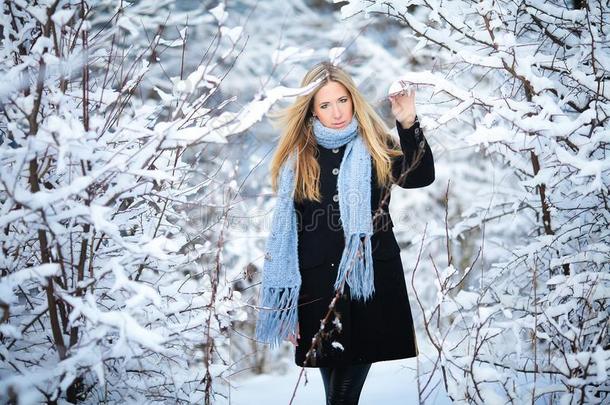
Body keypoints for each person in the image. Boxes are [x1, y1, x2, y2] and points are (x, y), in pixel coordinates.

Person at [256, 61, 435, 405]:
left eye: (342, 100)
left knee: (342, 396)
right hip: (319, 288)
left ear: (353, 99)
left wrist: (408, 123)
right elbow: (288, 231)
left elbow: (419, 176)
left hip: (370, 283)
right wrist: (289, 303)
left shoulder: (373, 143)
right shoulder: (300, 157)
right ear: (311, 110)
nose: (336, 111)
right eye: (325, 105)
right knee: (335, 395)